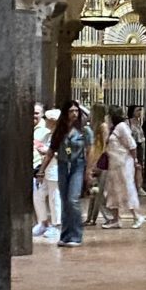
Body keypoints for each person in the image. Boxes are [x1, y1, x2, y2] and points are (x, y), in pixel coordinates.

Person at [53, 101, 91, 246]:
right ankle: (65, 235)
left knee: (73, 200)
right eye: (71, 111)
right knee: (64, 200)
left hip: (78, 165)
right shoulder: (60, 130)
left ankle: (76, 235)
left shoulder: (84, 131)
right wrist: (41, 171)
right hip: (63, 165)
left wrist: (89, 170)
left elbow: (90, 150)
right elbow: (52, 149)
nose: (74, 114)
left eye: (76, 111)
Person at [106, 104, 145, 227]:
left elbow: (132, 145)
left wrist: (135, 160)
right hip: (114, 164)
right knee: (113, 191)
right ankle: (116, 219)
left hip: (124, 164)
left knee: (127, 189)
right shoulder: (113, 128)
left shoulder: (122, 127)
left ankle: (137, 216)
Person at [31, 104, 58, 240]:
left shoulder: (59, 135)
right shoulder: (49, 134)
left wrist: (47, 151)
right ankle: (43, 222)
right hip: (45, 170)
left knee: (55, 198)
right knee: (38, 195)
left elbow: (65, 152)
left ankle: (56, 225)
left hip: (55, 170)